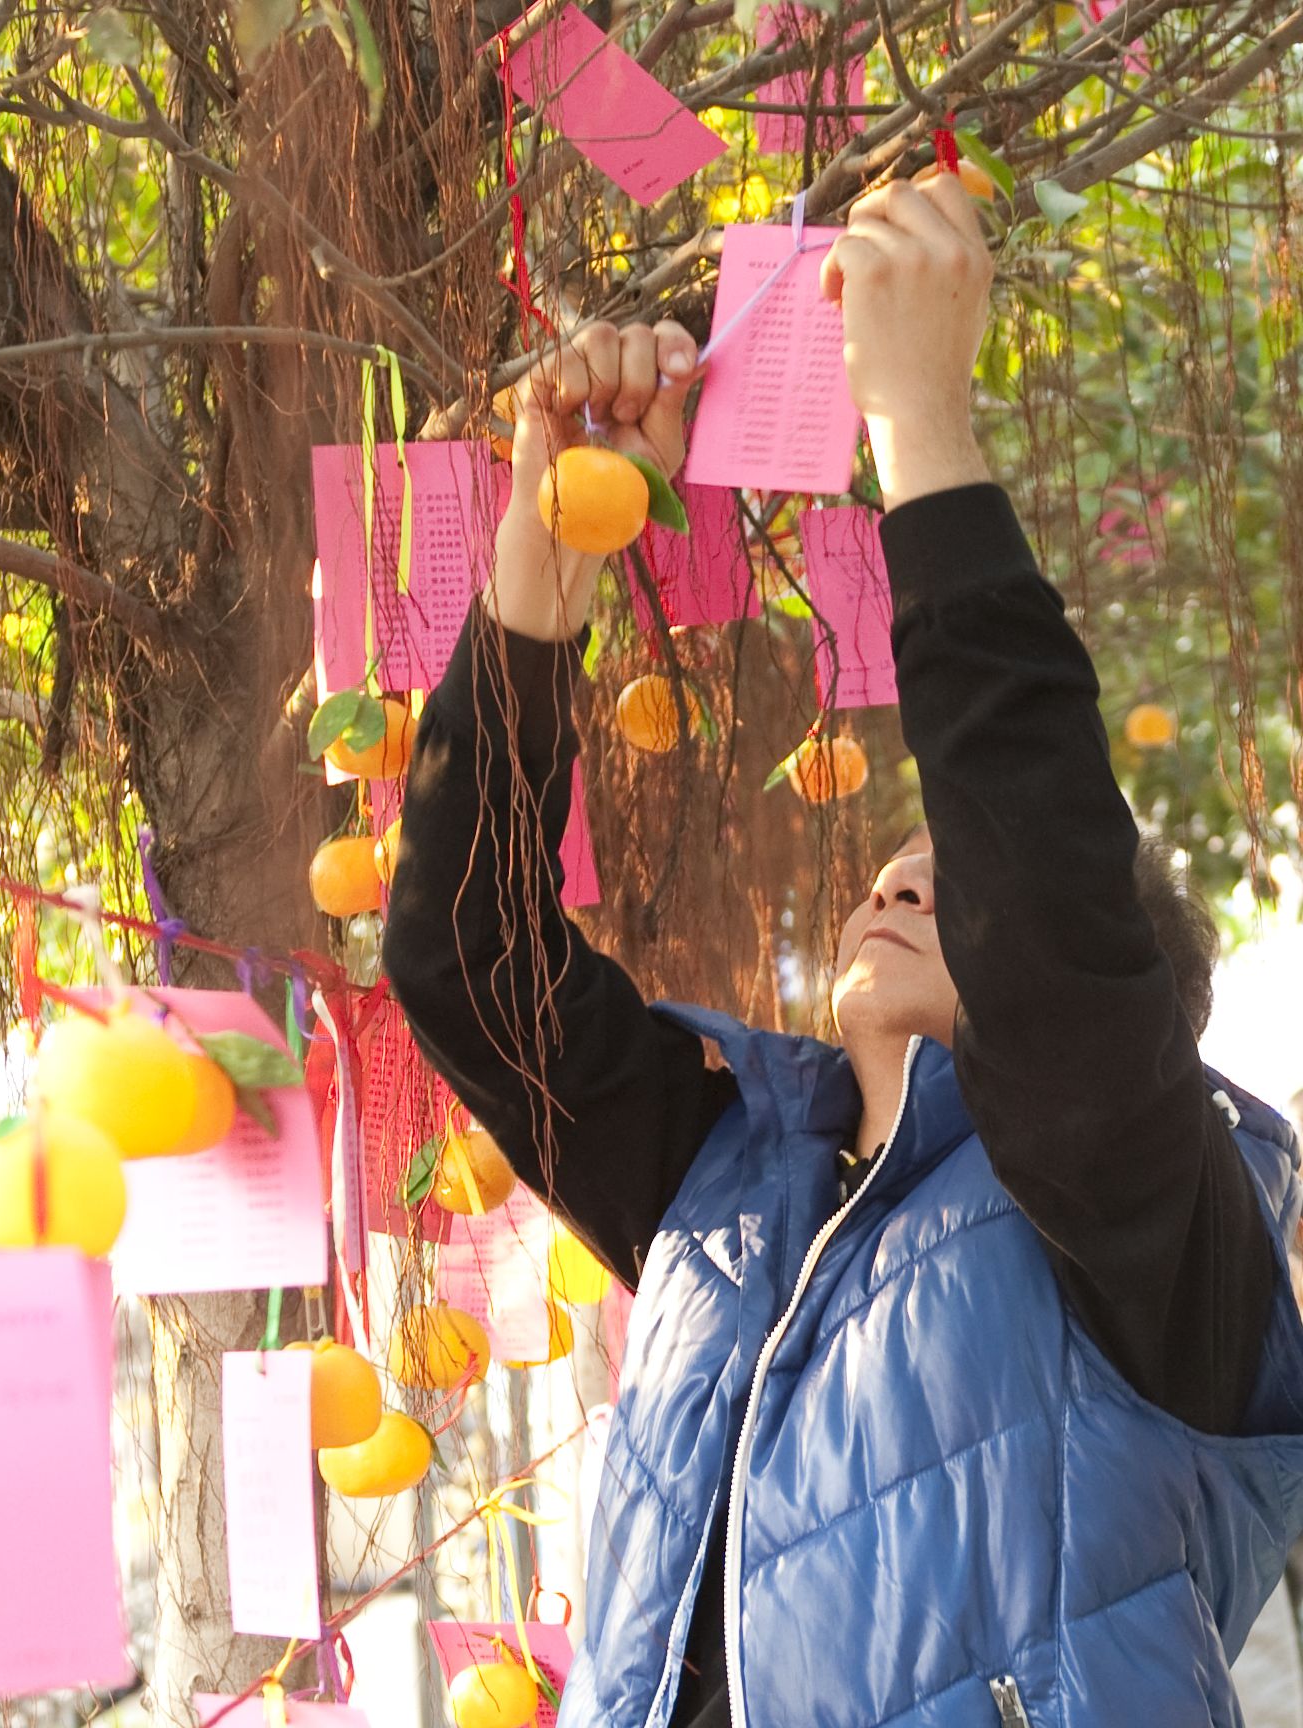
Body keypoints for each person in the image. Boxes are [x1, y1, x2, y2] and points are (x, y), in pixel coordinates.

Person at [383, 175, 1303, 1728]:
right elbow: (468, 955)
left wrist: (919, 428)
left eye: (958, 885)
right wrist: (560, 541)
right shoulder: (727, 1190)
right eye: (897, 867)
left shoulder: (1145, 1221)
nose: (904, 879)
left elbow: (1058, 935)